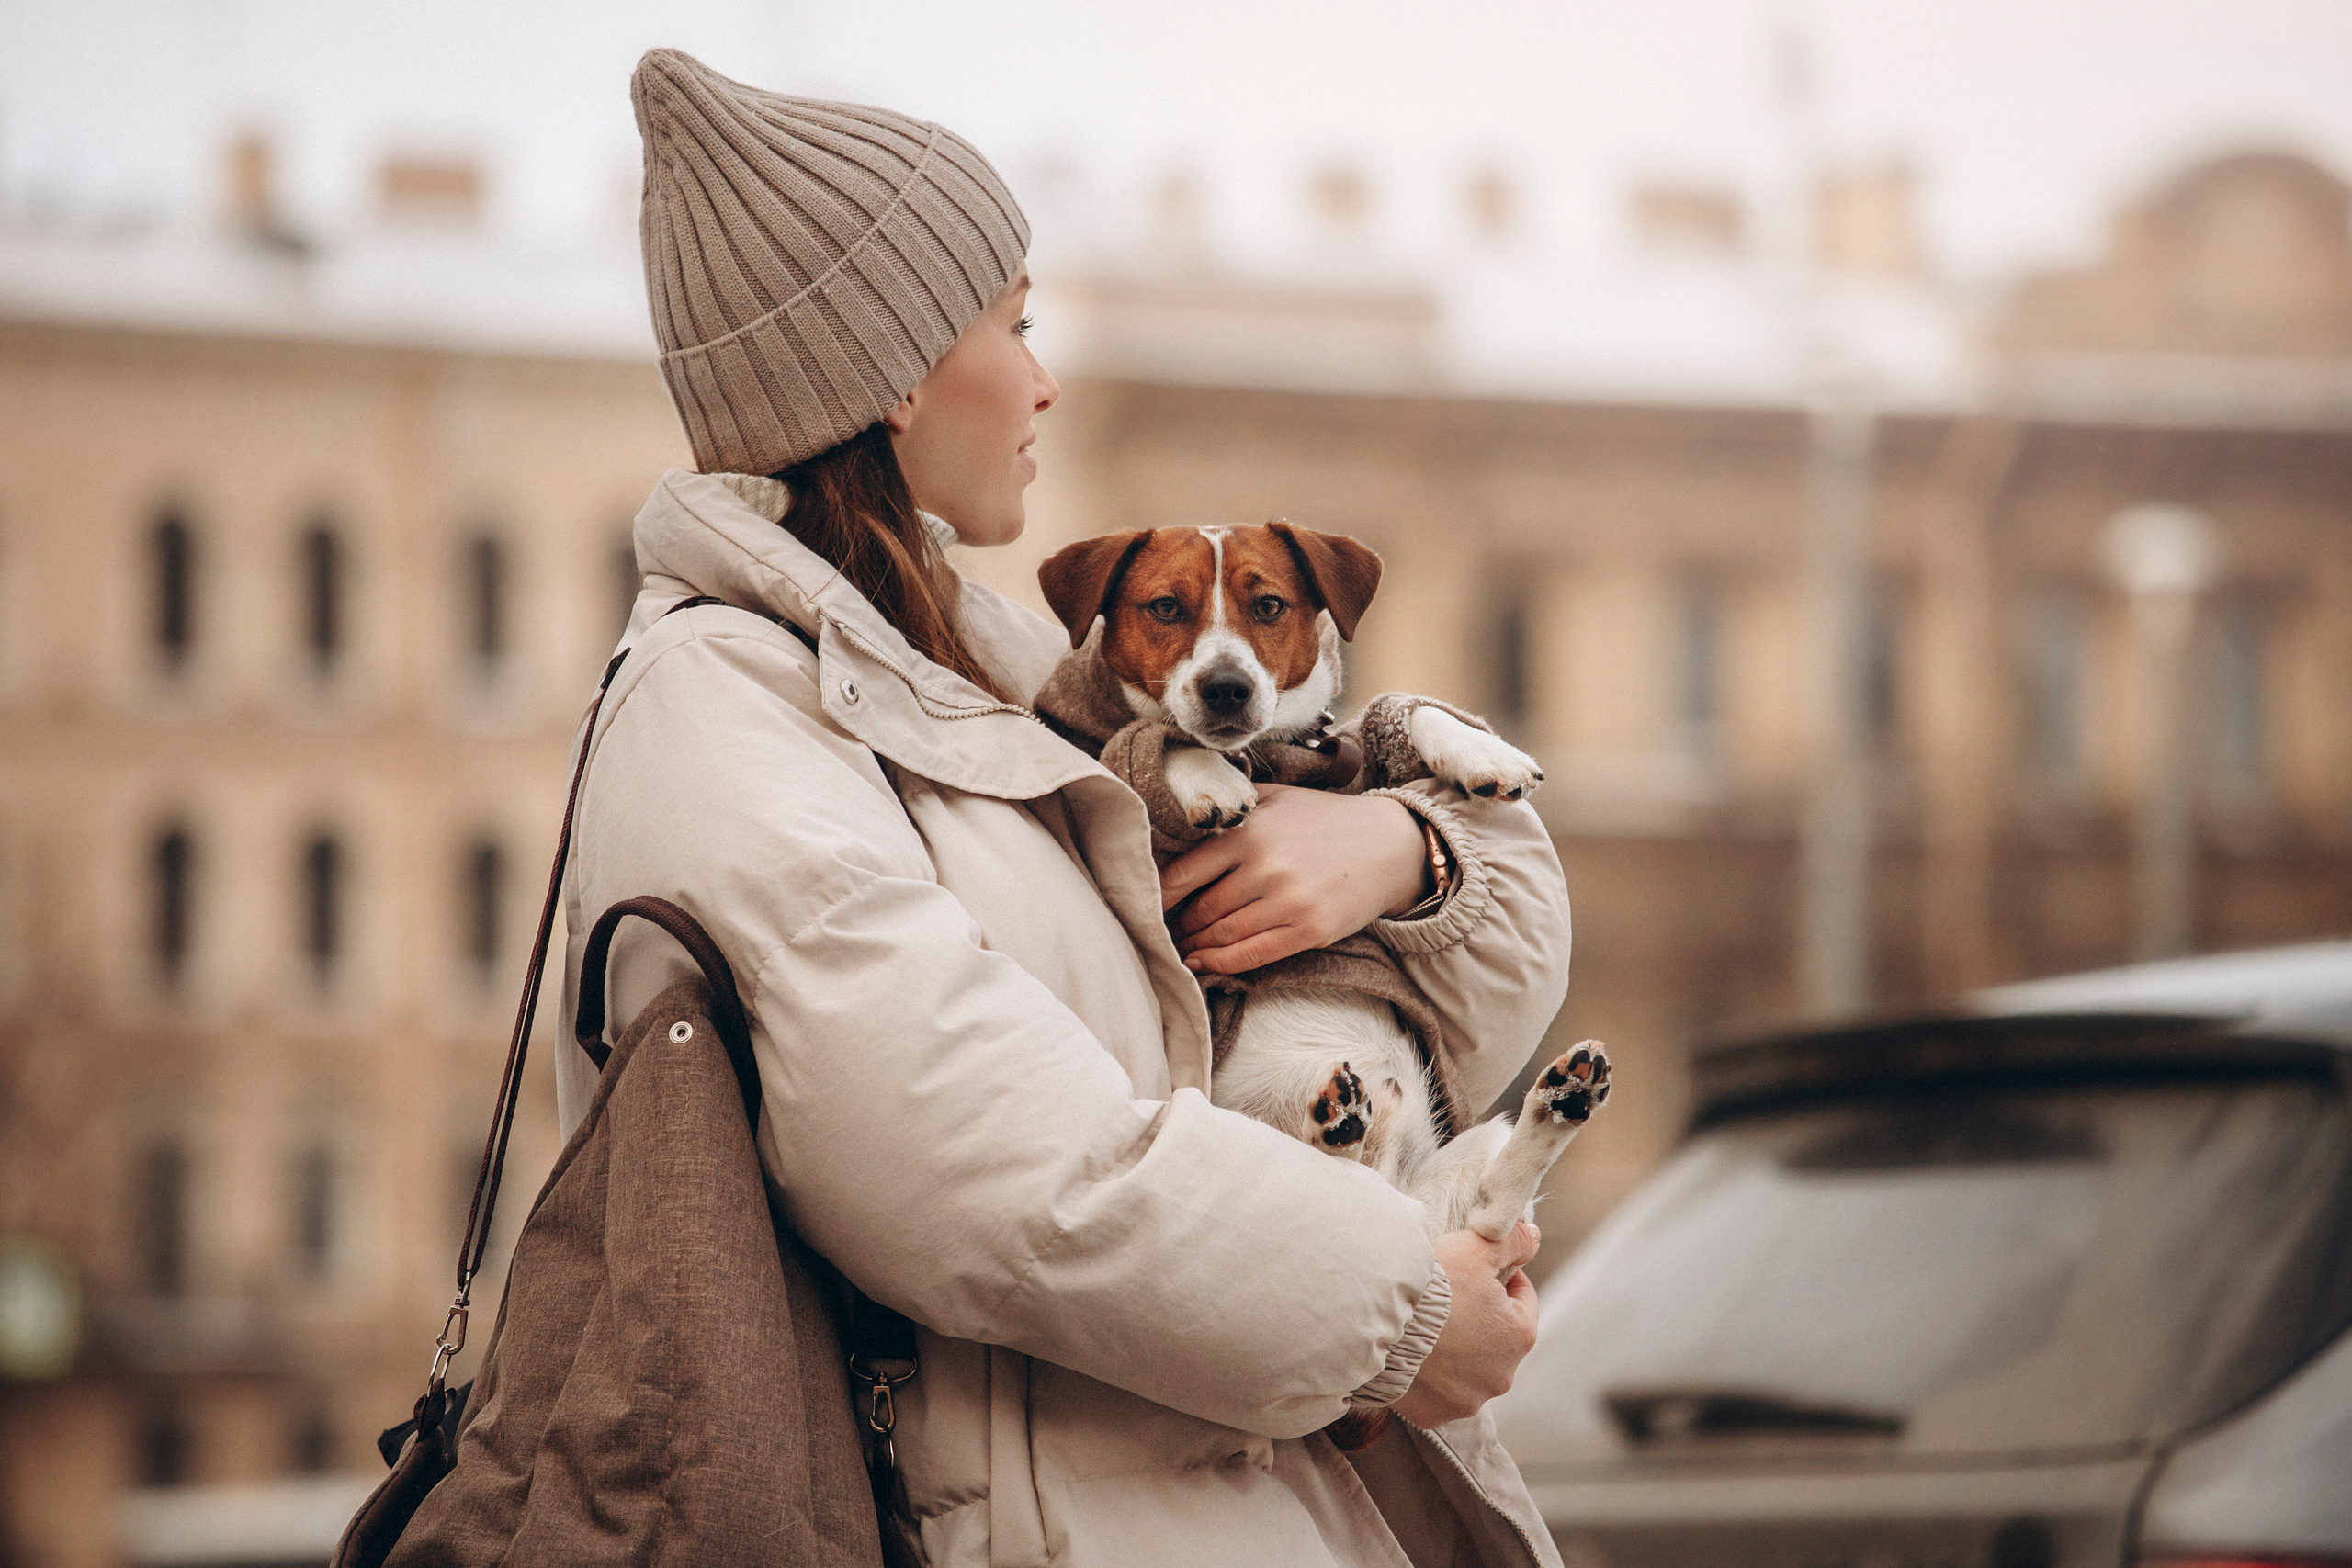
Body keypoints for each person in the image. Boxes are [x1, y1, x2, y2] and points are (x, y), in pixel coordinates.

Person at [555, 48, 1574, 1568]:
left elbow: (1471, 1021)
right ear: (892, 373)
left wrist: (1407, 855)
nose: (1044, 379)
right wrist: (1399, 1311)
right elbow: (1000, 1175)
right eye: (1014, 325)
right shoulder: (719, 719)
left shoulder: (1022, 675)